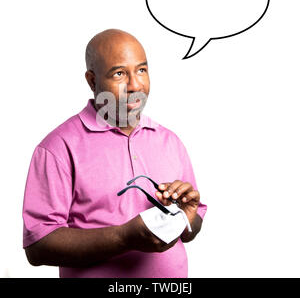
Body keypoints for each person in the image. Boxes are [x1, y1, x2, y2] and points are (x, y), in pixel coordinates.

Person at [22, 29, 207, 278]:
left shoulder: (170, 141)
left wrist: (187, 216)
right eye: (119, 73)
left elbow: (190, 229)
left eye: (141, 70)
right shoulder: (58, 147)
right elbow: (38, 246)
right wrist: (123, 238)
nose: (135, 85)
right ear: (92, 81)